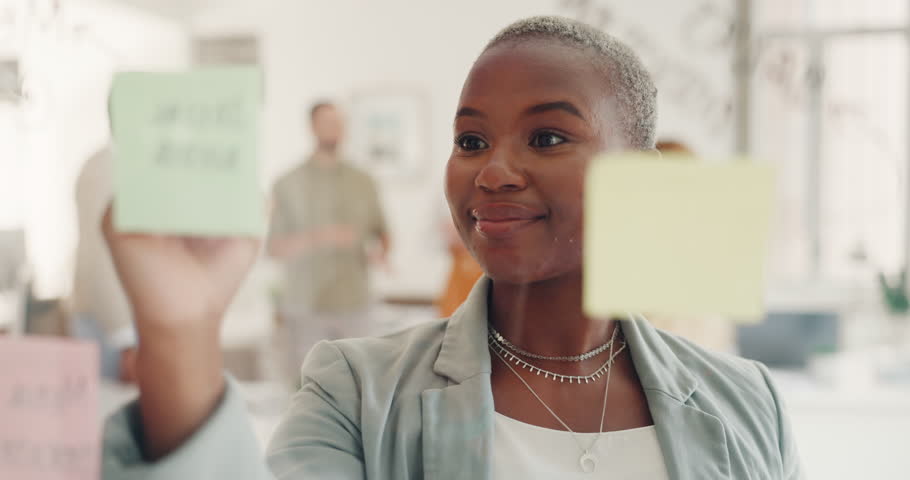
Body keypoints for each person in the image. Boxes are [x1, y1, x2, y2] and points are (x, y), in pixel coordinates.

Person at [101, 16, 802, 479]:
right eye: (470, 141)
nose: (492, 171)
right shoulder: (359, 393)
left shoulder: (745, 402)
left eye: (548, 137)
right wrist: (181, 331)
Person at [267, 101, 390, 379]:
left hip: (356, 304)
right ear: (312, 127)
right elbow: (274, 248)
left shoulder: (364, 181)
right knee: (310, 387)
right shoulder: (287, 183)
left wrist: (381, 254)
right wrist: (320, 237)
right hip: (306, 306)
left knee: (360, 384)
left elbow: (382, 233)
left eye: (338, 122)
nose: (333, 129)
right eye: (326, 123)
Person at [70, 147, 138, 383]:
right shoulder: (106, 167)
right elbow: (99, 256)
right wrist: (126, 342)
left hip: (126, 324)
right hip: (114, 325)